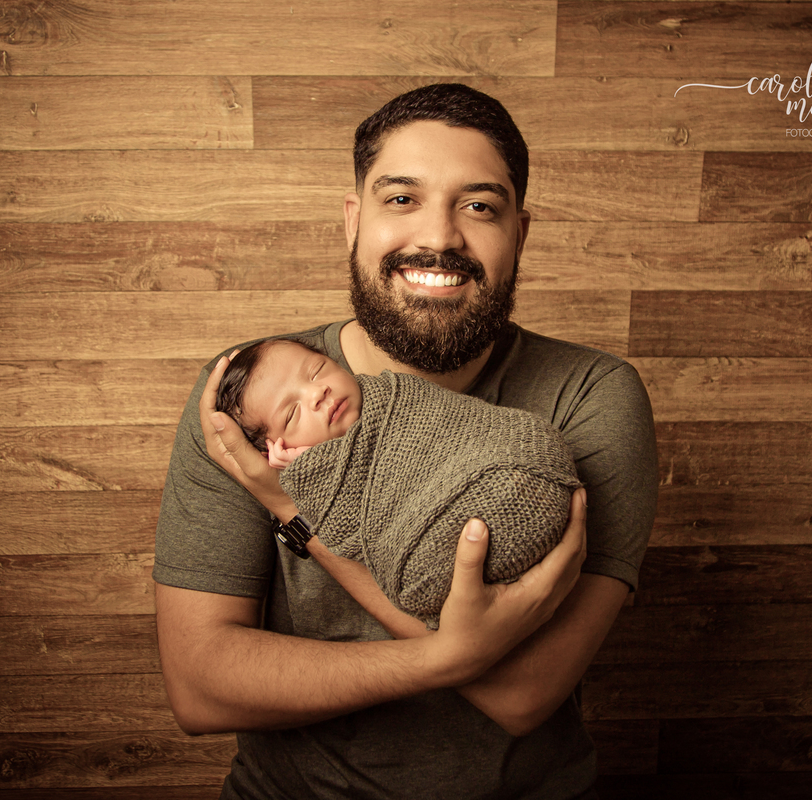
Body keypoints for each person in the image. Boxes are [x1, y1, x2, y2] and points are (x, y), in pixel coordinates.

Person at [154, 83, 658, 799]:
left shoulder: (590, 394)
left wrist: (295, 515)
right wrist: (448, 656)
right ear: (353, 220)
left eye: (479, 206)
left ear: (520, 232)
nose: (440, 237)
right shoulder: (247, 394)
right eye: (402, 199)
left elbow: (523, 696)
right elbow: (201, 690)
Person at [214, 337, 583, 628]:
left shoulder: (397, 395)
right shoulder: (304, 472)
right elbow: (349, 531)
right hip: (446, 530)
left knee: (529, 444)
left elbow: (460, 427)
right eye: (292, 413)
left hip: (512, 456)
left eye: (317, 371)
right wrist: (308, 471)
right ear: (275, 449)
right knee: (424, 574)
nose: (317, 393)